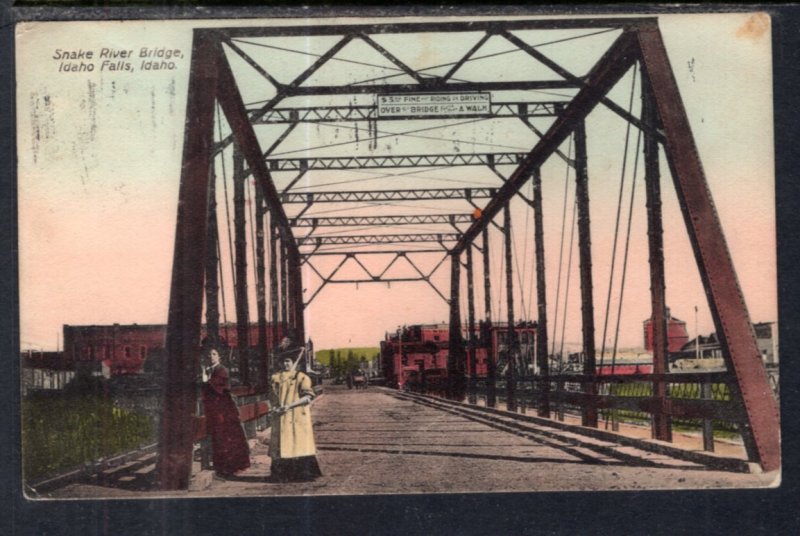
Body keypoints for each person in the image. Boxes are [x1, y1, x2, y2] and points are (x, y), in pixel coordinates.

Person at [269, 345, 322, 482]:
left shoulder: (301, 377)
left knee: (298, 443)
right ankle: (282, 475)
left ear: (294, 363)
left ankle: (302, 474)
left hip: (297, 415)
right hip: (281, 416)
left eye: (288, 361)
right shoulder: (275, 378)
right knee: (282, 444)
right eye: (283, 361)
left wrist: (290, 405)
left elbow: (308, 397)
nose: (286, 364)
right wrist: (275, 408)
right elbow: (273, 398)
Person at [201, 347, 250, 477]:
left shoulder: (222, 370)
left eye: (214, 354)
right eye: (209, 354)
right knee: (218, 435)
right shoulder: (209, 370)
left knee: (225, 435)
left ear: (219, 357)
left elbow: (215, 386)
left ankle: (229, 466)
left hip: (223, 408)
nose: (211, 356)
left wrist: (205, 379)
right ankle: (221, 465)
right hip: (214, 408)